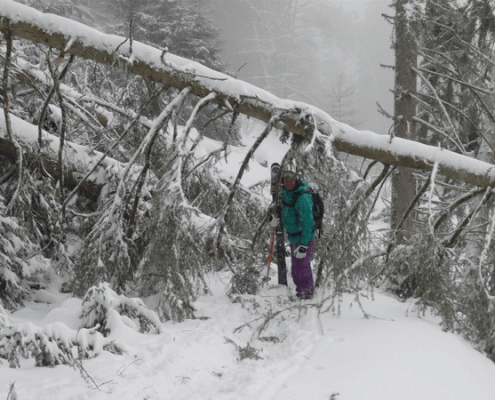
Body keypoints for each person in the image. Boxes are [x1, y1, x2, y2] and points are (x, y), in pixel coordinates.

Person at [271, 170, 315, 300]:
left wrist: (304, 245)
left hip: (304, 237)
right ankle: (302, 291)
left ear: (296, 179)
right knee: (297, 266)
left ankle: (306, 293)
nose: (288, 182)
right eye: (286, 180)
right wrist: (272, 219)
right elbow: (279, 208)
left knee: (302, 265)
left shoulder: (303, 198)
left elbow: (308, 222)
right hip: (294, 236)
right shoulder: (285, 192)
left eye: (291, 180)